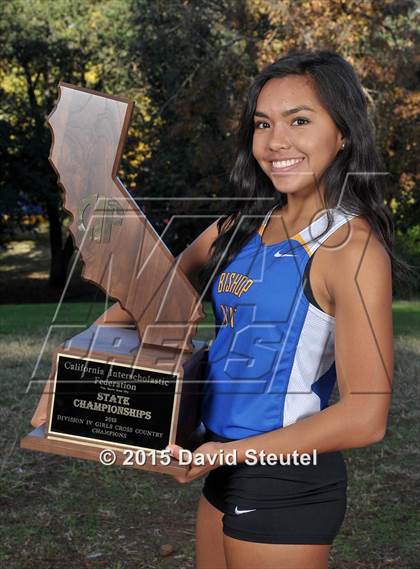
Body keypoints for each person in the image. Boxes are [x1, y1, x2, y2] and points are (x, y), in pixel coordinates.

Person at [31, 49, 398, 568]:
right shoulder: (240, 225)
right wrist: (70, 372)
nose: (276, 142)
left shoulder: (351, 248)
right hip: (218, 464)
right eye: (263, 124)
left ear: (343, 134)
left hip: (285, 478)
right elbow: (150, 295)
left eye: (300, 120)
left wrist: (223, 454)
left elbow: (366, 416)